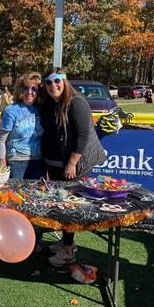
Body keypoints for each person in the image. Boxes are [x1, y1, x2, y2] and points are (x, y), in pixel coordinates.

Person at [38, 68, 106, 268]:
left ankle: (68, 251)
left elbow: (83, 135)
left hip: (75, 165)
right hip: (56, 164)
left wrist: (72, 162)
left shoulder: (76, 103)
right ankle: (67, 242)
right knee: (61, 203)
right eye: (48, 82)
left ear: (65, 81)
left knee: (69, 205)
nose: (53, 86)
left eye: (57, 81)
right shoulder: (50, 103)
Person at [0, 72, 45, 180]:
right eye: (26, 88)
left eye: (34, 89)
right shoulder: (11, 111)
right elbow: (1, 140)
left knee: (36, 195)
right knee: (16, 195)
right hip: (16, 163)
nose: (29, 92)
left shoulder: (42, 110)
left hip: (38, 162)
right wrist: (2, 164)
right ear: (21, 90)